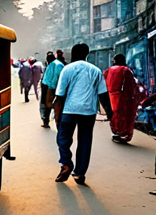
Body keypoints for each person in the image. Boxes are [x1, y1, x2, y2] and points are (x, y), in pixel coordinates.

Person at [53, 43, 113, 185]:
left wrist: (56, 116)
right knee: (85, 141)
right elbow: (103, 94)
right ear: (87, 54)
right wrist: (110, 113)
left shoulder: (67, 69)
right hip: (88, 111)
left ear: (73, 54)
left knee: (63, 138)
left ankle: (66, 162)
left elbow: (59, 96)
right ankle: (79, 173)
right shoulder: (96, 70)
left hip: (70, 110)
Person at [103, 54, 139, 143]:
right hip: (123, 96)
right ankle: (123, 133)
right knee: (125, 115)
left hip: (110, 96)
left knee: (114, 115)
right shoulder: (125, 70)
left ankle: (116, 132)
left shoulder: (108, 70)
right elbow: (131, 86)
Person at [40, 52, 64, 128]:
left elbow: (55, 78)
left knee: (50, 105)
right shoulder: (54, 64)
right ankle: (47, 121)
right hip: (49, 86)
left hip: (51, 87)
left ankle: (54, 122)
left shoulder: (56, 65)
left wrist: (51, 89)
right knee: (47, 105)